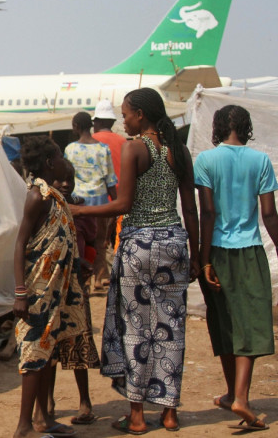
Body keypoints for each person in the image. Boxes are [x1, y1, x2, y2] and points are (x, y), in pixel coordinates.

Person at [69, 87, 200, 434]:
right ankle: (170, 412)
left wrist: (79, 209)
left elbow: (123, 204)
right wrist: (198, 256)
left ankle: (138, 415)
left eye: (125, 114)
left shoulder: (134, 148)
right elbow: (190, 208)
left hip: (138, 247)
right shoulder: (179, 151)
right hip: (174, 246)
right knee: (171, 329)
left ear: (140, 115)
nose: (123, 120)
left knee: (135, 330)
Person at [194, 105, 278, 432]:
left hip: (218, 252)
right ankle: (239, 397)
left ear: (218, 126)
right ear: (246, 127)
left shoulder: (206, 161)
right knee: (249, 324)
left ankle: (232, 394)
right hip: (249, 251)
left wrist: (204, 258)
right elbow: (269, 215)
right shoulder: (260, 161)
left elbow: (207, 213)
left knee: (224, 322)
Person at [13, 136, 87, 438]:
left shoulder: (54, 196)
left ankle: (42, 419)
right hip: (38, 290)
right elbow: (19, 244)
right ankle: (23, 427)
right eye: (58, 156)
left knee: (47, 353)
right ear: (48, 163)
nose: (62, 161)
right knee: (34, 353)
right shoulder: (37, 197)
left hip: (55, 290)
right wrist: (20, 292)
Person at [35, 158, 100, 427]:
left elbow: (93, 241)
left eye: (69, 179)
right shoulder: (41, 207)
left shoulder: (80, 209)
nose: (64, 183)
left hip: (74, 286)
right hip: (49, 287)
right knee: (48, 349)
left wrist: (89, 262)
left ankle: (85, 402)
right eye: (59, 179)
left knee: (79, 344)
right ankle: (47, 403)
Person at [64, 111, 118, 293]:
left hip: (78, 204)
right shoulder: (103, 149)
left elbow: (65, 176)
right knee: (101, 241)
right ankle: (99, 278)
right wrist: (115, 205)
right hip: (100, 202)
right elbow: (110, 180)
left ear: (76, 127)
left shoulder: (70, 149)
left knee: (81, 243)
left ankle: (83, 280)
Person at [91, 100, 128, 289]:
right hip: (122, 198)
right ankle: (110, 273)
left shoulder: (91, 142)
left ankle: (99, 275)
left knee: (98, 239)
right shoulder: (124, 142)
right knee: (115, 239)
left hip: (98, 199)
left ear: (96, 122)